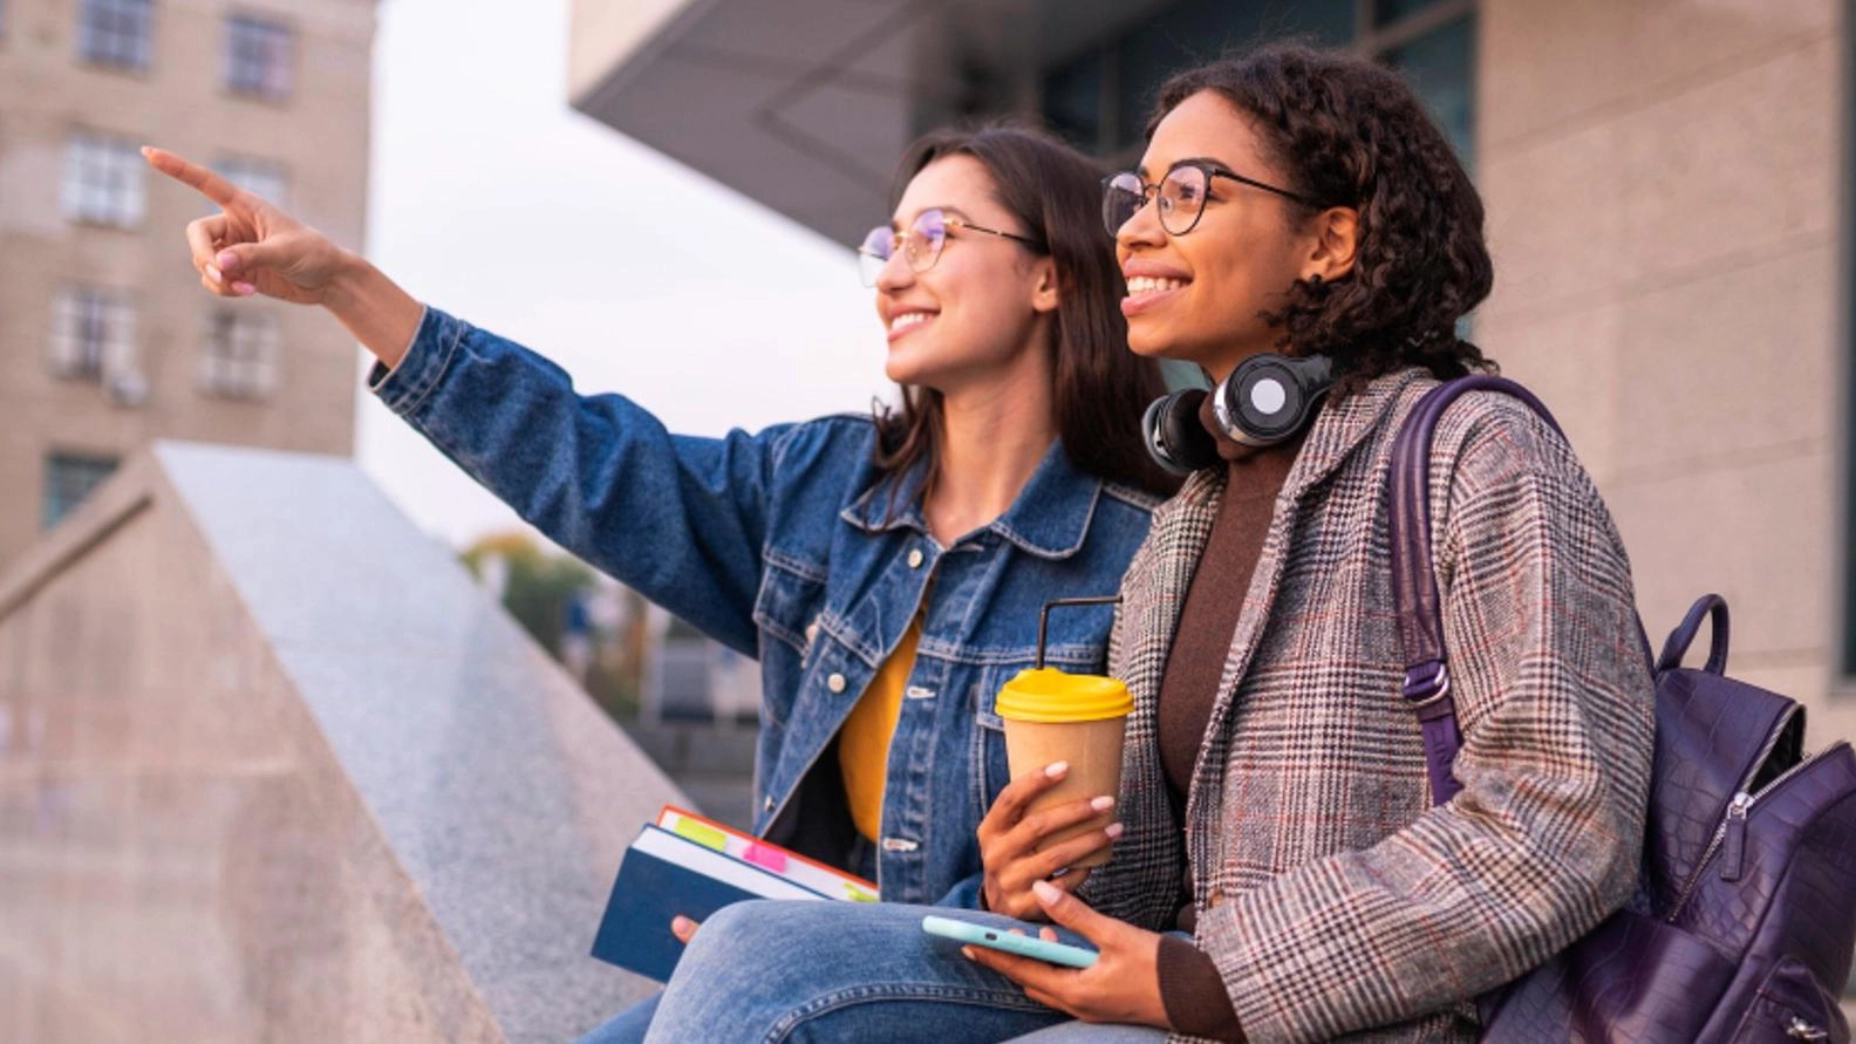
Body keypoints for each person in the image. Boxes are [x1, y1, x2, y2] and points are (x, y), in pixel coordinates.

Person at [625, 44, 1655, 1044]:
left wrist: (1206, 978)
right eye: (1138, 195)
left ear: (1327, 242)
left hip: (1372, 1020)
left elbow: (1562, 820)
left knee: (763, 972)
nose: (1133, 232)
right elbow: (1152, 872)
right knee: (747, 951)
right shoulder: (1191, 510)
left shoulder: (1474, 450)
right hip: (1172, 991)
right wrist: (1033, 872)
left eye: (1186, 194)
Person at [143, 124, 1177, 1038]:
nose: (891, 273)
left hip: (1011, 975)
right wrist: (344, 286)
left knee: (747, 968)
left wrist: (836, 934)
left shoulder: (1140, 550)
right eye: (884, 243)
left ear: (1051, 276)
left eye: (935, 237)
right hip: (824, 951)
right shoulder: (821, 487)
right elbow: (591, 461)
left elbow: (1156, 862)